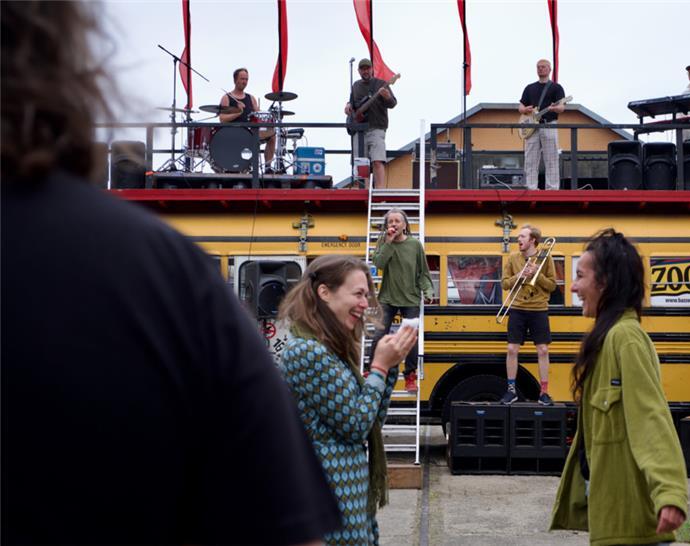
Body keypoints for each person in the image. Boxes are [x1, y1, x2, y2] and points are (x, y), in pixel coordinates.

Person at [1, 3, 340, 544]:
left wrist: (254, 117)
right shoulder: (166, 273)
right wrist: (234, 114)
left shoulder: (252, 106)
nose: (244, 85)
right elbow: (288, 528)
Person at [551, 228, 688, 545]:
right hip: (613, 521)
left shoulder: (625, 338)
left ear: (606, 282)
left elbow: (651, 416)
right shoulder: (607, 338)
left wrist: (669, 491)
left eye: (580, 276)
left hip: (635, 528)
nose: (572, 287)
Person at [277, 255, 418, 545]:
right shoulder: (307, 352)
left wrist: (389, 367)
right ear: (324, 292)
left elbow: (370, 423)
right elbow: (355, 426)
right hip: (330, 497)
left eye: (366, 295)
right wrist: (379, 368)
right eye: (358, 294)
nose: (365, 304)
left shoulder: (330, 350)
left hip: (349, 495)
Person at [370, 208, 434, 393]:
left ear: (405, 225)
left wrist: (428, 291)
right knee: (378, 335)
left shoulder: (415, 245)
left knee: (411, 338)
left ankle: (410, 376)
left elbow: (423, 272)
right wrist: (388, 243)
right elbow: (379, 264)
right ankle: (372, 370)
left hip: (410, 298)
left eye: (397, 221)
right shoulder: (384, 242)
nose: (394, 224)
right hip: (387, 298)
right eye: (390, 221)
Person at [500, 224, 557, 405]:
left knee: (543, 350)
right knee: (511, 349)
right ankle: (511, 390)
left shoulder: (546, 258)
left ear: (532, 240)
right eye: (519, 237)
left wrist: (536, 275)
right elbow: (504, 284)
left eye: (522, 237)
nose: (518, 239)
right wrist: (519, 275)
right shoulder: (513, 258)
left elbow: (552, 286)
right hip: (517, 308)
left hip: (539, 309)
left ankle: (544, 392)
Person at [345, 58, 397, 189]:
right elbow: (352, 103)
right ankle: (364, 190)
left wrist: (387, 96)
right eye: (363, 69)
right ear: (358, 71)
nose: (365, 71)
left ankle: (380, 191)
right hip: (359, 130)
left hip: (377, 128)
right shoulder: (356, 86)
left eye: (367, 68)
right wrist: (348, 105)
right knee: (360, 163)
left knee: (377, 161)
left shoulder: (382, 83)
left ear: (372, 69)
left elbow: (393, 103)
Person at [519, 59, 566, 190]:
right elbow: (521, 106)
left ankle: (552, 189)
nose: (540, 69)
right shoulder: (529, 88)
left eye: (543, 67)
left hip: (549, 124)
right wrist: (525, 109)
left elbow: (562, 107)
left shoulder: (556, 87)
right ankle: (530, 188)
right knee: (530, 158)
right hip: (532, 127)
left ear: (550, 69)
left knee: (551, 158)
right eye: (538, 67)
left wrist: (554, 108)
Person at [219, 67, 275, 170]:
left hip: (250, 132)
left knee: (272, 136)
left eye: (246, 79)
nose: (244, 82)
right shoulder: (227, 98)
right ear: (235, 80)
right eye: (242, 79)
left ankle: (268, 167)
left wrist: (266, 116)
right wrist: (238, 113)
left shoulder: (251, 98)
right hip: (233, 133)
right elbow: (222, 119)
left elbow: (258, 115)